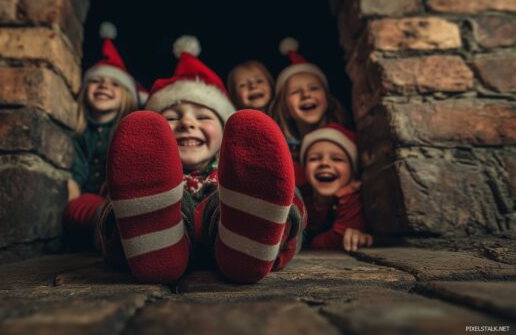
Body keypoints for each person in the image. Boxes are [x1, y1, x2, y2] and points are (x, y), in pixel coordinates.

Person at [91, 35, 307, 284]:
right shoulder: (137, 176)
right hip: (158, 235)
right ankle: (154, 248)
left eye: (203, 117)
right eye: (171, 118)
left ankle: (253, 246)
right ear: (153, 136)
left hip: (228, 229)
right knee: (115, 208)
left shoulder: (238, 174)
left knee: (285, 196)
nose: (187, 123)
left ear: (226, 133)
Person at [64, 22, 138, 232]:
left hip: (117, 196)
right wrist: (73, 188)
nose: (104, 86)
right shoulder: (80, 131)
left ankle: (111, 225)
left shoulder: (127, 130)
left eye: (115, 84)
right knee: (79, 206)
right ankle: (102, 226)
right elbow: (77, 167)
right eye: (96, 81)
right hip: (88, 197)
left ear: (127, 96)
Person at [268, 37, 350, 187]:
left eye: (314, 88)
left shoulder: (349, 141)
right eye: (295, 92)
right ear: (284, 109)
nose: (306, 94)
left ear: (327, 99)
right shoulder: (280, 155)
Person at [299, 123, 373, 252]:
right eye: (314, 158)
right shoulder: (302, 199)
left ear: (353, 172)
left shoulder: (352, 200)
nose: (325, 163)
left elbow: (339, 238)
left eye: (337, 159)